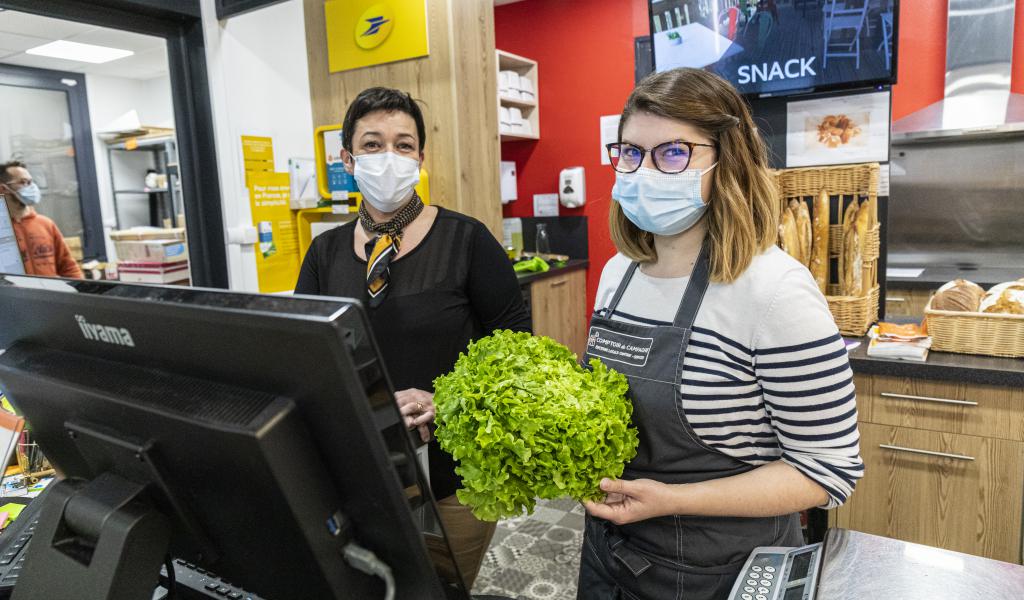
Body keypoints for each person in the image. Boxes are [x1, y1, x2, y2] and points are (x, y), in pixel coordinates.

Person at [577, 68, 863, 599]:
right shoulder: (620, 272)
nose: (644, 171)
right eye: (631, 153)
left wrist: (674, 499)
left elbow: (827, 471)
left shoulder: (776, 291)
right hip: (611, 556)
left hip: (720, 572)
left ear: (724, 159)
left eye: (673, 152)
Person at [295, 87, 531, 588]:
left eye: (403, 145)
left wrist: (445, 398)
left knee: (440, 588)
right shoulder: (324, 253)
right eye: (373, 144)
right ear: (348, 158)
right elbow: (305, 360)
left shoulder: (467, 241)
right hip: (356, 475)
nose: (389, 157)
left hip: (452, 475)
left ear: (420, 158)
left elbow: (518, 353)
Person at [0, 160, 82, 279]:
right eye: (23, 182)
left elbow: (68, 267)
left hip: (49, 296)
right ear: (3, 188)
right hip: (13, 297)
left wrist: (81, 292)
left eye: (31, 182)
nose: (31, 187)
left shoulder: (46, 224)